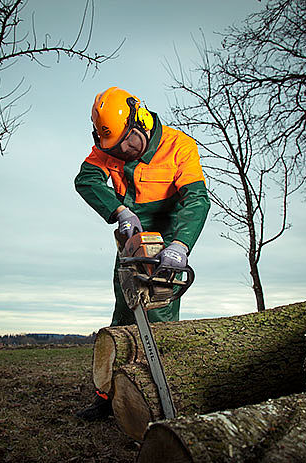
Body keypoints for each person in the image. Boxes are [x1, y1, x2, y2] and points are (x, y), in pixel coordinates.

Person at [74, 86, 210, 420]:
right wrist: (118, 211)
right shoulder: (110, 149)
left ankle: (157, 400)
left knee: (158, 319)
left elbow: (195, 198)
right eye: (116, 147)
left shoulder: (179, 146)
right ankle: (108, 396)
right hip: (131, 242)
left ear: (143, 122)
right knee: (123, 314)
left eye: (128, 143)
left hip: (167, 239)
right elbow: (86, 179)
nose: (124, 152)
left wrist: (181, 244)